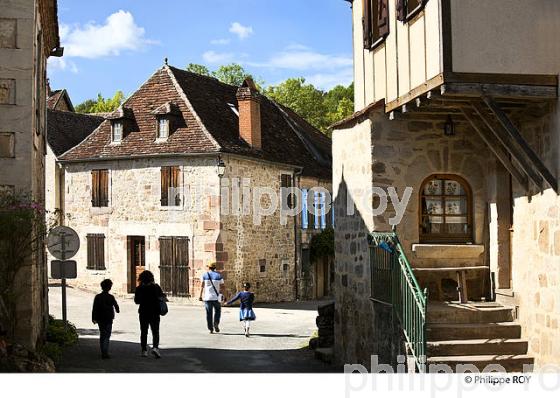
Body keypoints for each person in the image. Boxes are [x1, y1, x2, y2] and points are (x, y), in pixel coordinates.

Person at [134, 270, 165, 358]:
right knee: (155, 331)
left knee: (144, 331)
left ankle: (144, 350)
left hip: (143, 312)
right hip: (155, 312)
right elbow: (162, 297)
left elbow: (136, 301)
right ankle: (155, 348)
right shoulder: (156, 287)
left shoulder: (139, 288)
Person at [92, 279, 120, 359]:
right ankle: (105, 352)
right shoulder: (111, 297)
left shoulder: (98, 297)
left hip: (100, 318)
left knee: (102, 334)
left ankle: (103, 351)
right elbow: (116, 305)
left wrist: (94, 318)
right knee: (107, 335)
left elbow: (95, 308)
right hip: (108, 318)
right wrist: (117, 310)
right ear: (109, 288)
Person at [198, 263, 225, 334]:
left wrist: (200, 296)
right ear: (215, 268)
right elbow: (222, 287)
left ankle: (210, 328)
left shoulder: (204, 275)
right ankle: (216, 323)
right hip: (216, 298)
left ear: (209, 268)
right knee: (218, 311)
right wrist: (224, 296)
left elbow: (202, 286)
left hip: (207, 298)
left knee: (209, 314)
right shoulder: (219, 276)